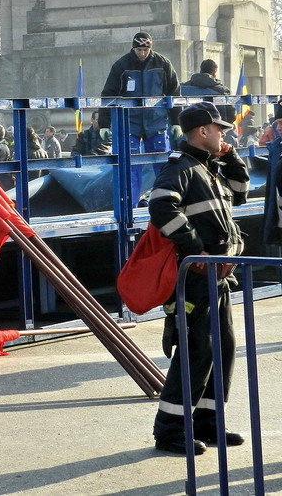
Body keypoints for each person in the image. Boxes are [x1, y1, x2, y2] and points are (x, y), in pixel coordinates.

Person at [148, 102, 249, 455]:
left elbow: (241, 191)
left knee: (222, 349)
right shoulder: (181, 167)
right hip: (195, 280)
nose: (224, 134)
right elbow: (161, 205)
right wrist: (196, 249)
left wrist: (230, 155)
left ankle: (207, 422)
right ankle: (170, 430)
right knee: (196, 351)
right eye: (219, 129)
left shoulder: (209, 168)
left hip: (218, 280)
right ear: (202, 131)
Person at [102, 31, 180, 206]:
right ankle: (131, 208)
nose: (142, 53)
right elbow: (108, 94)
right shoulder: (121, 66)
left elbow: (174, 93)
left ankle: (167, 205)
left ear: (150, 48)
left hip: (156, 122)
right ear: (133, 48)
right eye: (139, 50)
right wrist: (104, 123)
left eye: (145, 50)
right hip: (130, 123)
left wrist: (176, 121)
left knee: (163, 167)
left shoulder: (163, 64)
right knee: (130, 168)